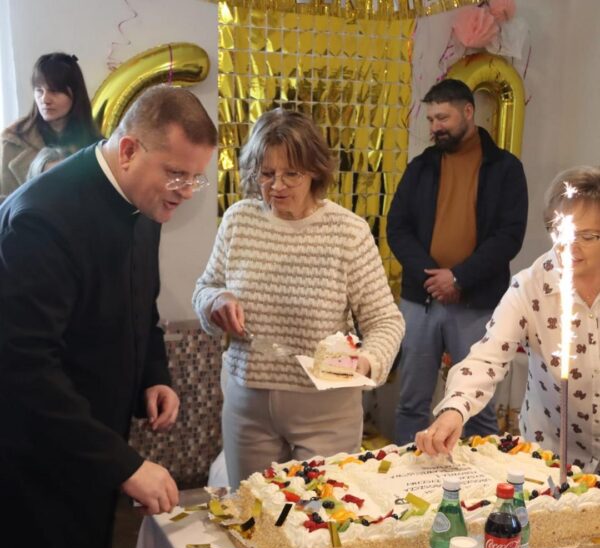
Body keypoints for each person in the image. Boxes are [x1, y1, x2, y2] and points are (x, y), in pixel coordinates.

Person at [0, 85, 217, 548]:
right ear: (129, 151)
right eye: (176, 173)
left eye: (196, 178)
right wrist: (124, 464)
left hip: (95, 448)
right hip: (38, 461)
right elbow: (23, 368)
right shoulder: (43, 219)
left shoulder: (144, 202)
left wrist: (153, 375)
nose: (186, 191)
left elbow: (140, 308)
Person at [193, 108, 404, 489]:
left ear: (315, 172)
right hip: (248, 407)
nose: (277, 186)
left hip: (327, 411)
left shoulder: (347, 233)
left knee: (320, 513)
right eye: (266, 173)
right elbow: (205, 287)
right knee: (253, 511)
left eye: (291, 174)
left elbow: (385, 321)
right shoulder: (239, 221)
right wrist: (215, 301)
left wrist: (367, 361)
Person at [416, 166, 600, 473]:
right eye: (560, 231)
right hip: (551, 458)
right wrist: (454, 410)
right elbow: (487, 357)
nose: (569, 245)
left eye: (587, 236)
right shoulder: (530, 287)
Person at [387, 78, 528, 445]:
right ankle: (404, 474)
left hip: (477, 303)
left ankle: (481, 477)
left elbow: (509, 236)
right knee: (411, 403)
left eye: (443, 118)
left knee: (477, 406)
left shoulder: (505, 168)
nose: (435, 127)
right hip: (422, 300)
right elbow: (397, 228)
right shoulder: (421, 167)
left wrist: (459, 277)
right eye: (431, 119)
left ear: (468, 112)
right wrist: (433, 278)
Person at [0, 52, 100, 202]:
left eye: (54, 91)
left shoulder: (96, 145)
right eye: (39, 90)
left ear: (75, 94)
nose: (45, 99)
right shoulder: (12, 140)